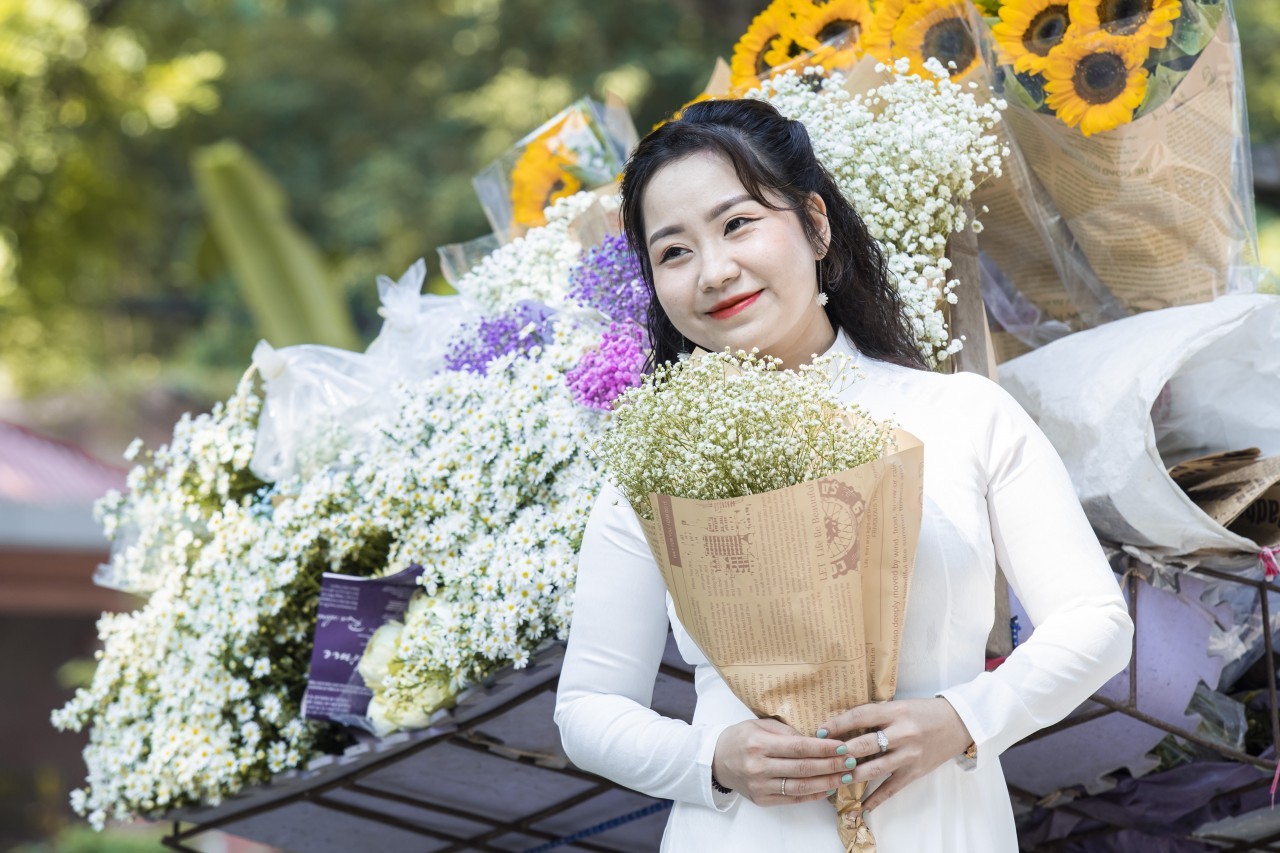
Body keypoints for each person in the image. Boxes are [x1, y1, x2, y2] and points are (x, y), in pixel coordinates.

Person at [553, 98, 1133, 851]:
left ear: (816, 224)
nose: (714, 270)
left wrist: (965, 716)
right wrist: (712, 758)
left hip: (945, 825)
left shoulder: (964, 415)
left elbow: (1096, 621)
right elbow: (589, 705)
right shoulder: (651, 466)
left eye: (738, 223)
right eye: (674, 252)